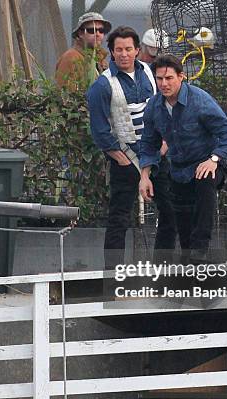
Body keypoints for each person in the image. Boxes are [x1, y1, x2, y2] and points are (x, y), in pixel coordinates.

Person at [139, 54, 227, 263]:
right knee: (182, 223)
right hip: (179, 169)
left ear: (181, 77)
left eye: (169, 78)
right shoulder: (154, 107)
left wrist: (214, 159)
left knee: (204, 181)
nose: (164, 84)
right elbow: (148, 143)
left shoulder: (199, 100)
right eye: (159, 79)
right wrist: (145, 176)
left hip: (210, 161)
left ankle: (201, 246)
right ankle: (191, 271)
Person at [87, 26, 157, 270]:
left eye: (129, 49)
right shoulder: (101, 86)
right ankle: (113, 278)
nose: (124, 54)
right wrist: (121, 159)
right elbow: (99, 130)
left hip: (157, 156)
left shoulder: (149, 73)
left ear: (138, 50)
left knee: (170, 212)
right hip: (125, 160)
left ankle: (168, 272)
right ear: (112, 53)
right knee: (119, 219)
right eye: (119, 49)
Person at [138, 29, 177, 261]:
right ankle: (161, 270)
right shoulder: (143, 76)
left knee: (176, 215)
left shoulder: (182, 90)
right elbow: (149, 133)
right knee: (169, 214)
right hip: (153, 156)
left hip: (172, 159)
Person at [55, 12, 111, 91]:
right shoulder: (71, 58)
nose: (97, 34)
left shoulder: (101, 60)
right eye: (91, 30)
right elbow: (64, 94)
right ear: (80, 33)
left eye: (101, 30)